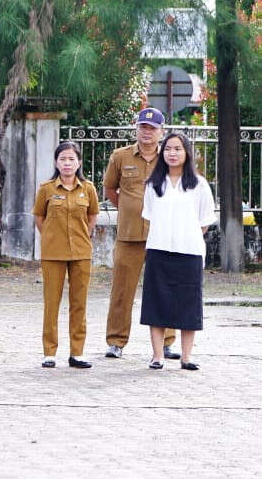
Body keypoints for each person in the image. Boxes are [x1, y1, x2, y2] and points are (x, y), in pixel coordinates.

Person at [103, 108, 178, 360]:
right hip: (129, 234)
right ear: (136, 128)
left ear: (161, 132)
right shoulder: (120, 156)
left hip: (162, 235)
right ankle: (116, 341)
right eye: (143, 127)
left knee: (164, 288)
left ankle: (167, 342)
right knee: (122, 289)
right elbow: (110, 189)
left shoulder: (170, 158)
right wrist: (129, 208)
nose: (147, 132)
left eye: (152, 128)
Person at [139, 132, 215, 371]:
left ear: (187, 153)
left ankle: (186, 356)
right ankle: (157, 356)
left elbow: (204, 221)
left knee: (188, 304)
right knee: (156, 302)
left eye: (178, 149)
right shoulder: (154, 184)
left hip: (189, 251)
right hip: (159, 250)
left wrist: (186, 236)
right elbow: (149, 215)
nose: (172, 153)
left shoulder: (199, 185)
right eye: (168, 149)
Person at [32, 142, 99, 368]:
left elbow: (92, 217)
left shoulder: (88, 188)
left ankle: (77, 352)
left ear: (79, 162)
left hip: (81, 252)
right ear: (56, 162)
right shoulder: (47, 189)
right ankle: (49, 352)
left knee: (79, 303)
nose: (67, 163)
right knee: (52, 303)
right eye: (63, 159)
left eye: (71, 159)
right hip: (53, 253)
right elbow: (39, 218)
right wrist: (52, 236)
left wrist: (82, 236)